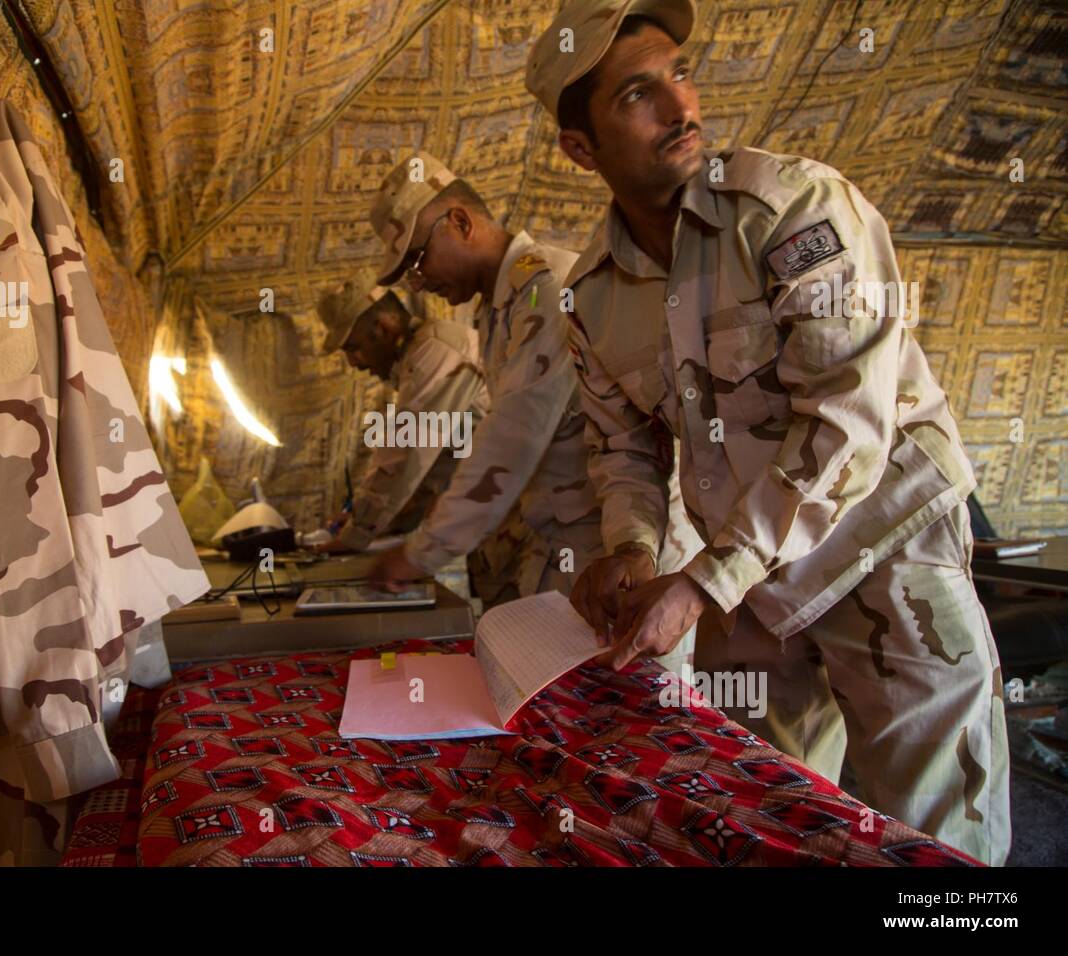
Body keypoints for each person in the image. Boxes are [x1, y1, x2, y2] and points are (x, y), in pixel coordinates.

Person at [525, 0, 1010, 864]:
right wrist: (633, 546)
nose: (682, 108)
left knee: (939, 845)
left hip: (884, 553)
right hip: (749, 589)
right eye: (639, 92)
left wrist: (707, 582)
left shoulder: (795, 212)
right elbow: (626, 445)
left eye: (680, 72)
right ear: (579, 149)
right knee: (767, 813)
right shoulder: (593, 296)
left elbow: (847, 427)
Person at [366, 151, 607, 600]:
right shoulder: (497, 309)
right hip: (566, 540)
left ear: (460, 222)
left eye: (418, 261)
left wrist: (421, 552)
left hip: (613, 554)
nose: (417, 284)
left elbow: (513, 437)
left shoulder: (546, 291)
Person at [315, 269, 489, 553]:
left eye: (354, 347)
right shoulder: (418, 358)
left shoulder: (437, 351)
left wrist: (355, 535)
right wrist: (366, 521)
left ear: (383, 328)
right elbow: (427, 477)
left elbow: (404, 457)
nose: (353, 362)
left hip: (535, 516)